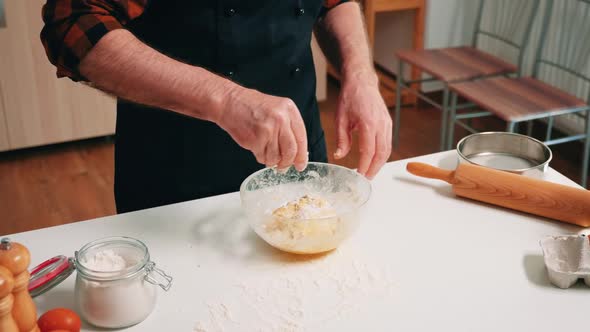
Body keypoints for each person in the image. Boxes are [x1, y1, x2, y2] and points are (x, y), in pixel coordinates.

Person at [41, 0, 392, 213]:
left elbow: (334, 3)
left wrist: (360, 74)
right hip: (179, 170)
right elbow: (74, 23)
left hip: (298, 152)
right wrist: (227, 99)